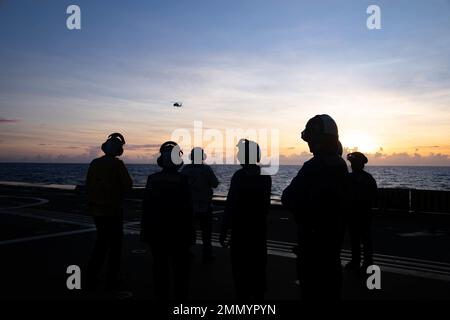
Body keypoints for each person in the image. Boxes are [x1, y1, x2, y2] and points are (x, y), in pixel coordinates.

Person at [281, 115, 348, 300]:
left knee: (311, 292)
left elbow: (288, 197)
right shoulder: (341, 166)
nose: (309, 145)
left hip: (312, 246)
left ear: (320, 140)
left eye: (312, 139)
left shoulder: (313, 166)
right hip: (333, 243)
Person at [140, 141, 194, 300]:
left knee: (160, 269)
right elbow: (188, 209)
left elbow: (147, 207)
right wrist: (191, 233)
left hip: (156, 232)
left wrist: (145, 232)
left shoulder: (152, 179)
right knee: (180, 272)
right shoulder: (183, 180)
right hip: (179, 233)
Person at [220, 139, 272, 300]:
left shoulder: (239, 176)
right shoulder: (265, 176)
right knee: (258, 272)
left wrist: (224, 229)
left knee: (240, 272)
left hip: (240, 232)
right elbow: (265, 206)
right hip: (258, 230)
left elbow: (231, 204)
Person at [86, 133, 133, 290]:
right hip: (113, 210)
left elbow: (88, 184)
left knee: (101, 243)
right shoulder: (117, 165)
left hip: (96, 210)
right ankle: (112, 277)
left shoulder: (94, 163)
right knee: (115, 246)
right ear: (119, 150)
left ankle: (92, 274)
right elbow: (128, 185)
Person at [181, 147, 219, 262]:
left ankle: (186, 251)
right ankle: (207, 254)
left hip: (189, 205)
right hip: (205, 205)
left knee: (188, 230)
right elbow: (215, 184)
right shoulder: (206, 169)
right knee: (206, 232)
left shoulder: (185, 169)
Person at [345, 152, 377, 272]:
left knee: (363, 239)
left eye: (355, 163)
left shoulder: (363, 178)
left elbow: (373, 195)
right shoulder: (362, 178)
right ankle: (357, 261)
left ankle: (365, 262)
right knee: (356, 239)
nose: (353, 165)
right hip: (356, 213)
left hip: (362, 213)